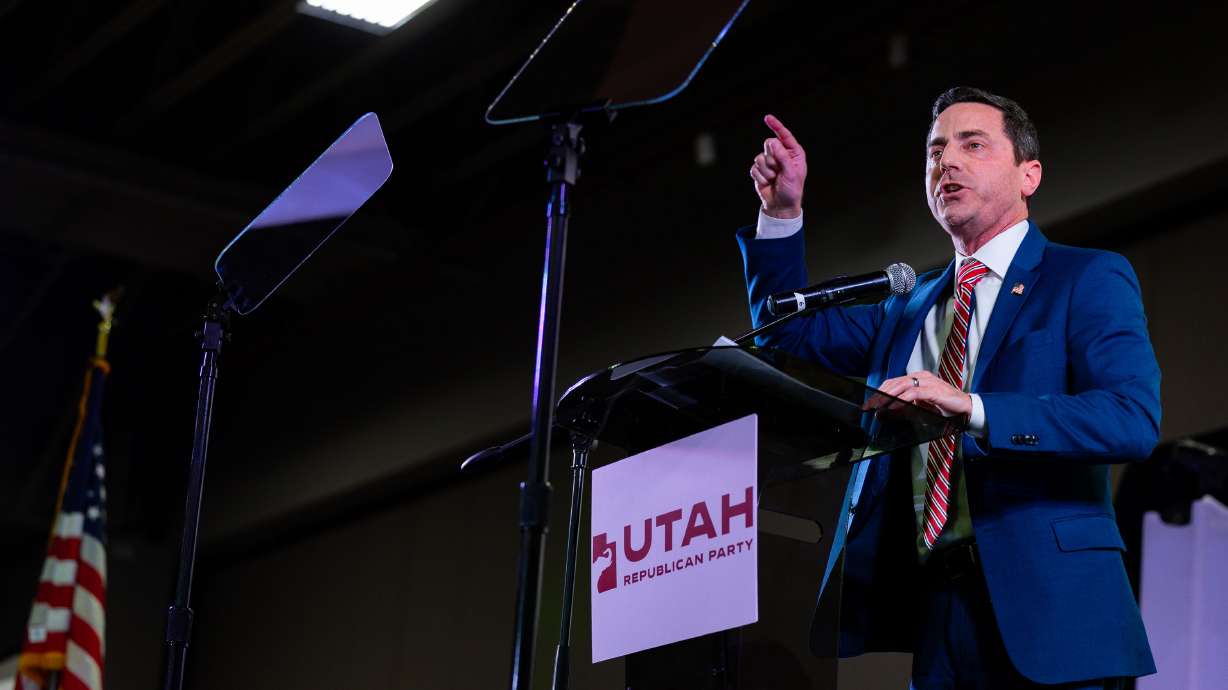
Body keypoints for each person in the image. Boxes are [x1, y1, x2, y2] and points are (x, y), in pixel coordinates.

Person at [736, 87, 1161, 689]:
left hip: (1054, 614)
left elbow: (1130, 418)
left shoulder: (1086, 277)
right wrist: (781, 214)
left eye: (973, 145)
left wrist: (976, 408)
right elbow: (788, 333)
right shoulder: (907, 306)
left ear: (1028, 174)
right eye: (935, 151)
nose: (947, 162)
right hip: (936, 609)